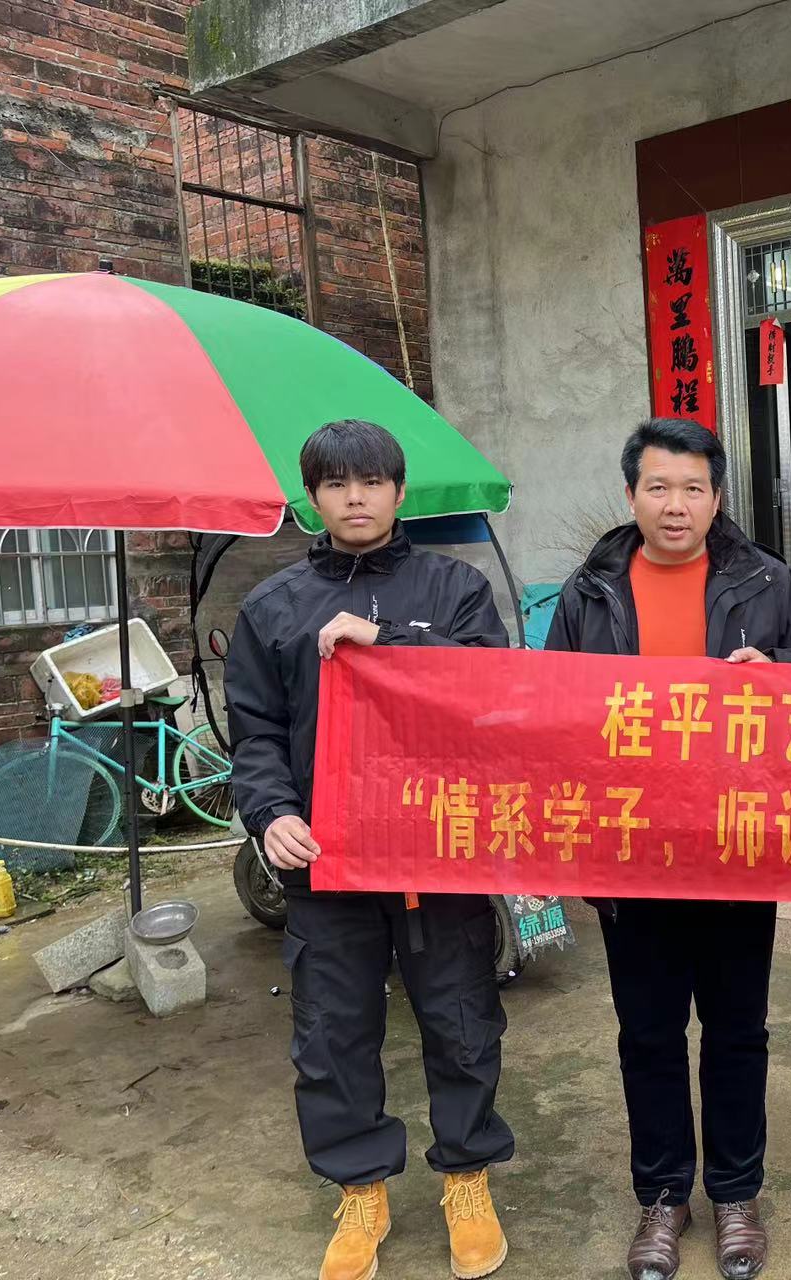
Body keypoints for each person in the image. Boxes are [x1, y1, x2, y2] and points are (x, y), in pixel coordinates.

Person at [546, 417, 791, 1280]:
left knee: (736, 1028)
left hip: (735, 843)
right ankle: (663, 1198)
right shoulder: (590, 592)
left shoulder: (766, 581)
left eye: (692, 489)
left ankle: (736, 1194)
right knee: (647, 1032)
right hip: (630, 846)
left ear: (716, 498)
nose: (675, 505)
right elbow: (552, 708)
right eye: (658, 488)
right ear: (631, 494)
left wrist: (779, 671)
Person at [227, 419, 514, 1280]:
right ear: (311, 497)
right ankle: (360, 1188)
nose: (355, 498)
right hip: (329, 855)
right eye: (336, 484)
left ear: (399, 491)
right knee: (331, 1027)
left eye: (372, 482)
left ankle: (466, 1176)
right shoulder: (272, 607)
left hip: (436, 847)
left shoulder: (454, 588)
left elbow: (490, 693)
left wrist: (390, 642)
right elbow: (256, 731)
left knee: (460, 1016)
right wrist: (270, 813)